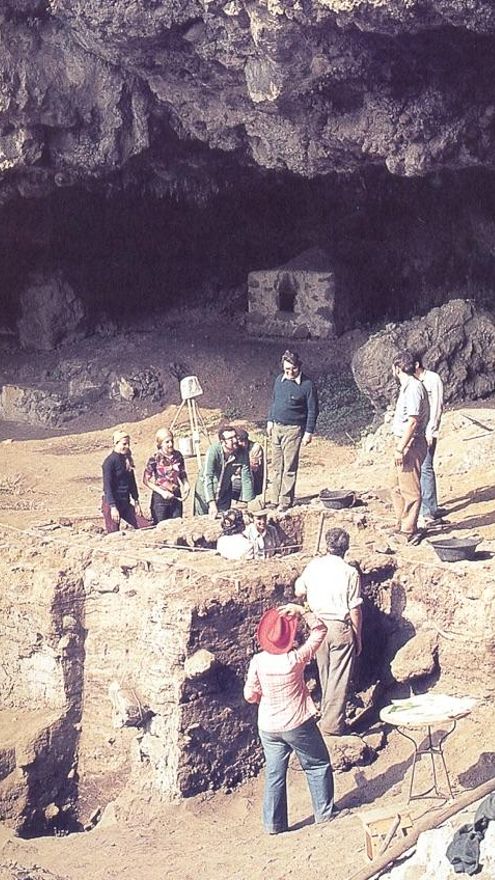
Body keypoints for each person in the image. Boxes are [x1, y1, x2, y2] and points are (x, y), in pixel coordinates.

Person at [244, 603, 336, 835]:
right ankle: (324, 813)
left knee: (274, 773)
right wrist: (302, 611)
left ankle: (273, 825)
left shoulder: (258, 661)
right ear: (289, 639)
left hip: (268, 726)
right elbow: (320, 630)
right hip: (297, 723)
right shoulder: (295, 659)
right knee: (317, 764)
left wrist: (261, 695)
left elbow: (250, 695)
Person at [294, 528, 362, 737]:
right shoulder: (350, 572)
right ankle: (332, 729)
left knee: (325, 676)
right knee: (338, 680)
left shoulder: (314, 565)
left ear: (327, 546)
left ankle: (326, 718)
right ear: (346, 548)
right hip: (339, 627)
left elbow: (299, 590)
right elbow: (355, 609)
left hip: (317, 627)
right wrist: (358, 636)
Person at [267, 349, 319, 513]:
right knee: (276, 466)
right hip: (276, 427)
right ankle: (274, 499)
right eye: (287, 369)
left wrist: (308, 432)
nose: (290, 372)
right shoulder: (279, 380)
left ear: (299, 366)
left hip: (293, 430)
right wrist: (270, 421)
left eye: (293, 369)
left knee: (289, 466)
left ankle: (286, 501)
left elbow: (313, 410)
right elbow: (274, 402)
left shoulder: (307, 385)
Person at [390, 349, 429, 544]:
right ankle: (402, 522)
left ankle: (408, 529)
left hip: (410, 443)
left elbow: (413, 422)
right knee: (396, 486)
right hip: (404, 441)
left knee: (410, 489)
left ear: (397, 368)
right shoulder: (407, 387)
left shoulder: (413, 388)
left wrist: (401, 448)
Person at [412, 354, 444, 526]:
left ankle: (429, 512)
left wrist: (431, 430)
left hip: (428, 431)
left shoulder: (433, 379)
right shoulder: (412, 382)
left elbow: (437, 406)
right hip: (415, 432)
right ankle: (427, 507)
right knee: (419, 468)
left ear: (417, 364)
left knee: (426, 467)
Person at [194, 426, 254, 517]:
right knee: (202, 520)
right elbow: (208, 477)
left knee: (225, 519)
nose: (235, 440)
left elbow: (247, 478)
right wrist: (211, 503)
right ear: (222, 442)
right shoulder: (213, 451)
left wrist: (249, 503)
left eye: (235, 437)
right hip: (205, 492)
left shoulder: (242, 453)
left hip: (224, 492)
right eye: (230, 439)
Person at [143, 428, 190, 524]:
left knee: (177, 525)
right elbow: (146, 480)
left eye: (172, 441)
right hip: (160, 499)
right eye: (167, 442)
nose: (170, 444)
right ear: (160, 444)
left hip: (176, 495)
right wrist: (162, 492)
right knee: (162, 527)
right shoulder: (155, 458)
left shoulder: (178, 456)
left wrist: (186, 484)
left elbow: (182, 472)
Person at [101, 430, 143, 532]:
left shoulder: (127, 460)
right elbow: (107, 487)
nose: (127, 446)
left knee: (145, 526)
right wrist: (113, 507)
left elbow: (132, 483)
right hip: (112, 504)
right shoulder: (109, 462)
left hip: (125, 503)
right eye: (124, 444)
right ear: (116, 443)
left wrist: (136, 502)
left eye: (128, 444)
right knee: (114, 534)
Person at [231, 429, 264, 500]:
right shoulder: (235, 448)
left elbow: (255, 468)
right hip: (237, 478)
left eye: (244, 441)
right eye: (239, 442)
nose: (242, 444)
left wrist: (241, 466)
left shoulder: (255, 448)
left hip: (254, 480)